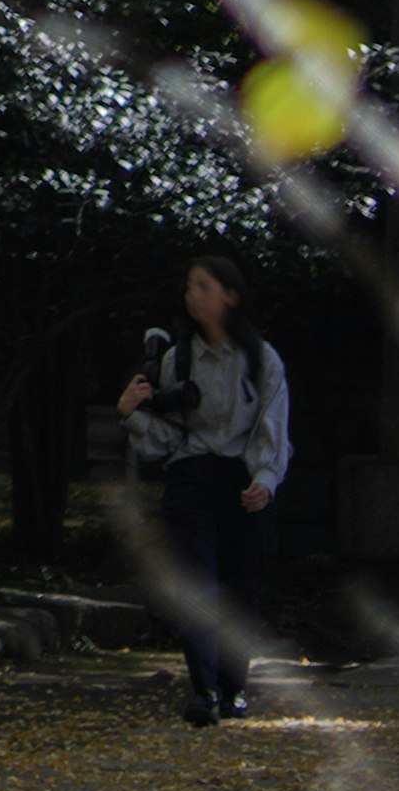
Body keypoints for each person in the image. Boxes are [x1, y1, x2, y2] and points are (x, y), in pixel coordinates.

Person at [119, 251, 290, 721]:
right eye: (190, 286)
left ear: (230, 296)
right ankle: (205, 690)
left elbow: (272, 429)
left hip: (242, 481)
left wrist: (265, 481)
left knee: (241, 589)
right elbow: (166, 440)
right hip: (191, 478)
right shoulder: (178, 358)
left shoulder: (262, 358)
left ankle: (235, 688)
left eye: (204, 286)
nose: (193, 295)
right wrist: (133, 414)